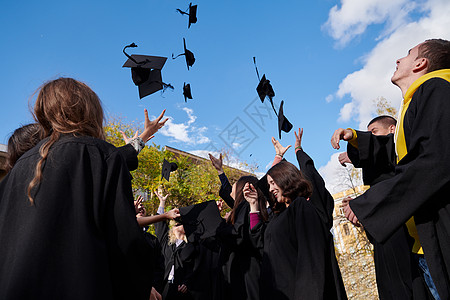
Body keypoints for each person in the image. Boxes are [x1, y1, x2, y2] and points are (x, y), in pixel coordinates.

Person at [0, 77, 166, 300]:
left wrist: (141, 139)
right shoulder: (99, 156)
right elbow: (124, 244)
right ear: (90, 109)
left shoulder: (14, 173)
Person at [335, 39, 450, 299]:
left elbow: (433, 160)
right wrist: (355, 137)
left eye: (407, 54)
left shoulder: (437, 88)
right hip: (423, 247)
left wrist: (369, 204)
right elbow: (393, 152)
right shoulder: (416, 102)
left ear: (421, 63)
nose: (398, 60)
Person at [331, 116, 432, 299]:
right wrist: (363, 209)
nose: (369, 137)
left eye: (374, 132)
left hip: (408, 243)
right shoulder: (379, 170)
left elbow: (382, 147)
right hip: (386, 247)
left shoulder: (402, 153)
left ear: (392, 129)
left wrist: (353, 136)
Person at [248, 128, 347, 300]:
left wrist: (298, 150)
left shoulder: (301, 208)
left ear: (284, 179)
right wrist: (253, 205)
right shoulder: (277, 217)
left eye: (273, 183)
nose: (270, 189)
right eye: (269, 184)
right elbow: (258, 240)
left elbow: (310, 260)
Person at [154, 191, 196, 300]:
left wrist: (187, 283)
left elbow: (193, 268)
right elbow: (159, 224)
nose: (180, 225)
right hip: (162, 284)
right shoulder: (166, 241)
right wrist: (162, 203)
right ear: (173, 227)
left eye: (182, 223)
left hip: (178, 288)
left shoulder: (191, 246)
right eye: (177, 223)